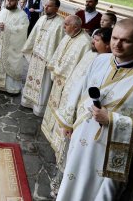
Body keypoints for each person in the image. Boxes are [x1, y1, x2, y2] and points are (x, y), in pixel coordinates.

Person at [56, 18, 133, 201]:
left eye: (125, 40)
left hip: (108, 157)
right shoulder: (100, 60)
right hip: (79, 140)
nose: (117, 44)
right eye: (115, 38)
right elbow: (80, 90)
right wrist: (68, 122)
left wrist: (112, 120)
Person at [47, 27, 113, 196]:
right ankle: (61, 187)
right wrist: (68, 118)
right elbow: (78, 83)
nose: (93, 42)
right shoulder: (93, 56)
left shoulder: (103, 61)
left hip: (91, 121)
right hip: (76, 113)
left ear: (108, 44)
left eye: (97, 40)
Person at [39, 15, 95, 195]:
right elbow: (59, 52)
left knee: (61, 110)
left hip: (66, 83)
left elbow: (76, 65)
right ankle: (51, 131)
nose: (64, 27)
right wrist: (54, 66)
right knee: (53, 108)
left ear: (76, 26)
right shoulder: (69, 36)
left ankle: (58, 136)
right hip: (58, 79)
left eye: (67, 24)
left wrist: (60, 72)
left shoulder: (85, 43)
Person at [21, 0, 65, 115]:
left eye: (49, 6)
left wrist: (53, 61)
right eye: (45, 5)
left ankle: (39, 107)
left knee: (43, 84)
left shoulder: (60, 23)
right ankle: (28, 101)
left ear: (56, 8)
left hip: (47, 60)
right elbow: (33, 35)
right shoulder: (41, 19)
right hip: (36, 56)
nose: (46, 7)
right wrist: (29, 48)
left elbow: (60, 44)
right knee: (31, 79)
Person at [0, 0, 29, 93]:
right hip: (0, 44)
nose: (9, 2)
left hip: (12, 47)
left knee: (11, 66)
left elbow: (22, 29)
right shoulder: (3, 12)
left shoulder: (22, 15)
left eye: (11, 1)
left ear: (16, 1)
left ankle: (11, 88)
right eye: (7, 0)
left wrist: (7, 29)